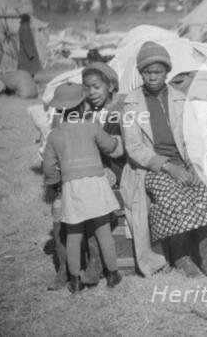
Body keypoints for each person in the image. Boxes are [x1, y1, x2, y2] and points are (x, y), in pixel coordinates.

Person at [120, 41, 207, 290]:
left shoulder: (180, 99)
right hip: (150, 167)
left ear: (166, 72)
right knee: (171, 195)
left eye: (158, 72)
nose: (152, 76)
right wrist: (168, 167)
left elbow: (192, 136)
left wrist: (193, 165)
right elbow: (135, 148)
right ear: (141, 73)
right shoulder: (131, 103)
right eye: (148, 72)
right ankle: (181, 257)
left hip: (183, 162)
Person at [42, 82, 122, 293]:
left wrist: (54, 181)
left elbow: (49, 167)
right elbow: (109, 145)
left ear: (58, 110)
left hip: (72, 187)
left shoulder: (55, 135)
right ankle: (113, 274)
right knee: (103, 231)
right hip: (95, 183)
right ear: (83, 106)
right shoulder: (92, 126)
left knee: (73, 235)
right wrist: (115, 142)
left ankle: (75, 279)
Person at [76, 62, 126, 286]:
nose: (91, 93)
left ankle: (97, 262)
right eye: (87, 88)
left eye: (96, 87)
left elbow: (124, 147)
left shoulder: (119, 110)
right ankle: (94, 260)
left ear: (111, 86)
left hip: (120, 167)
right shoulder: (85, 113)